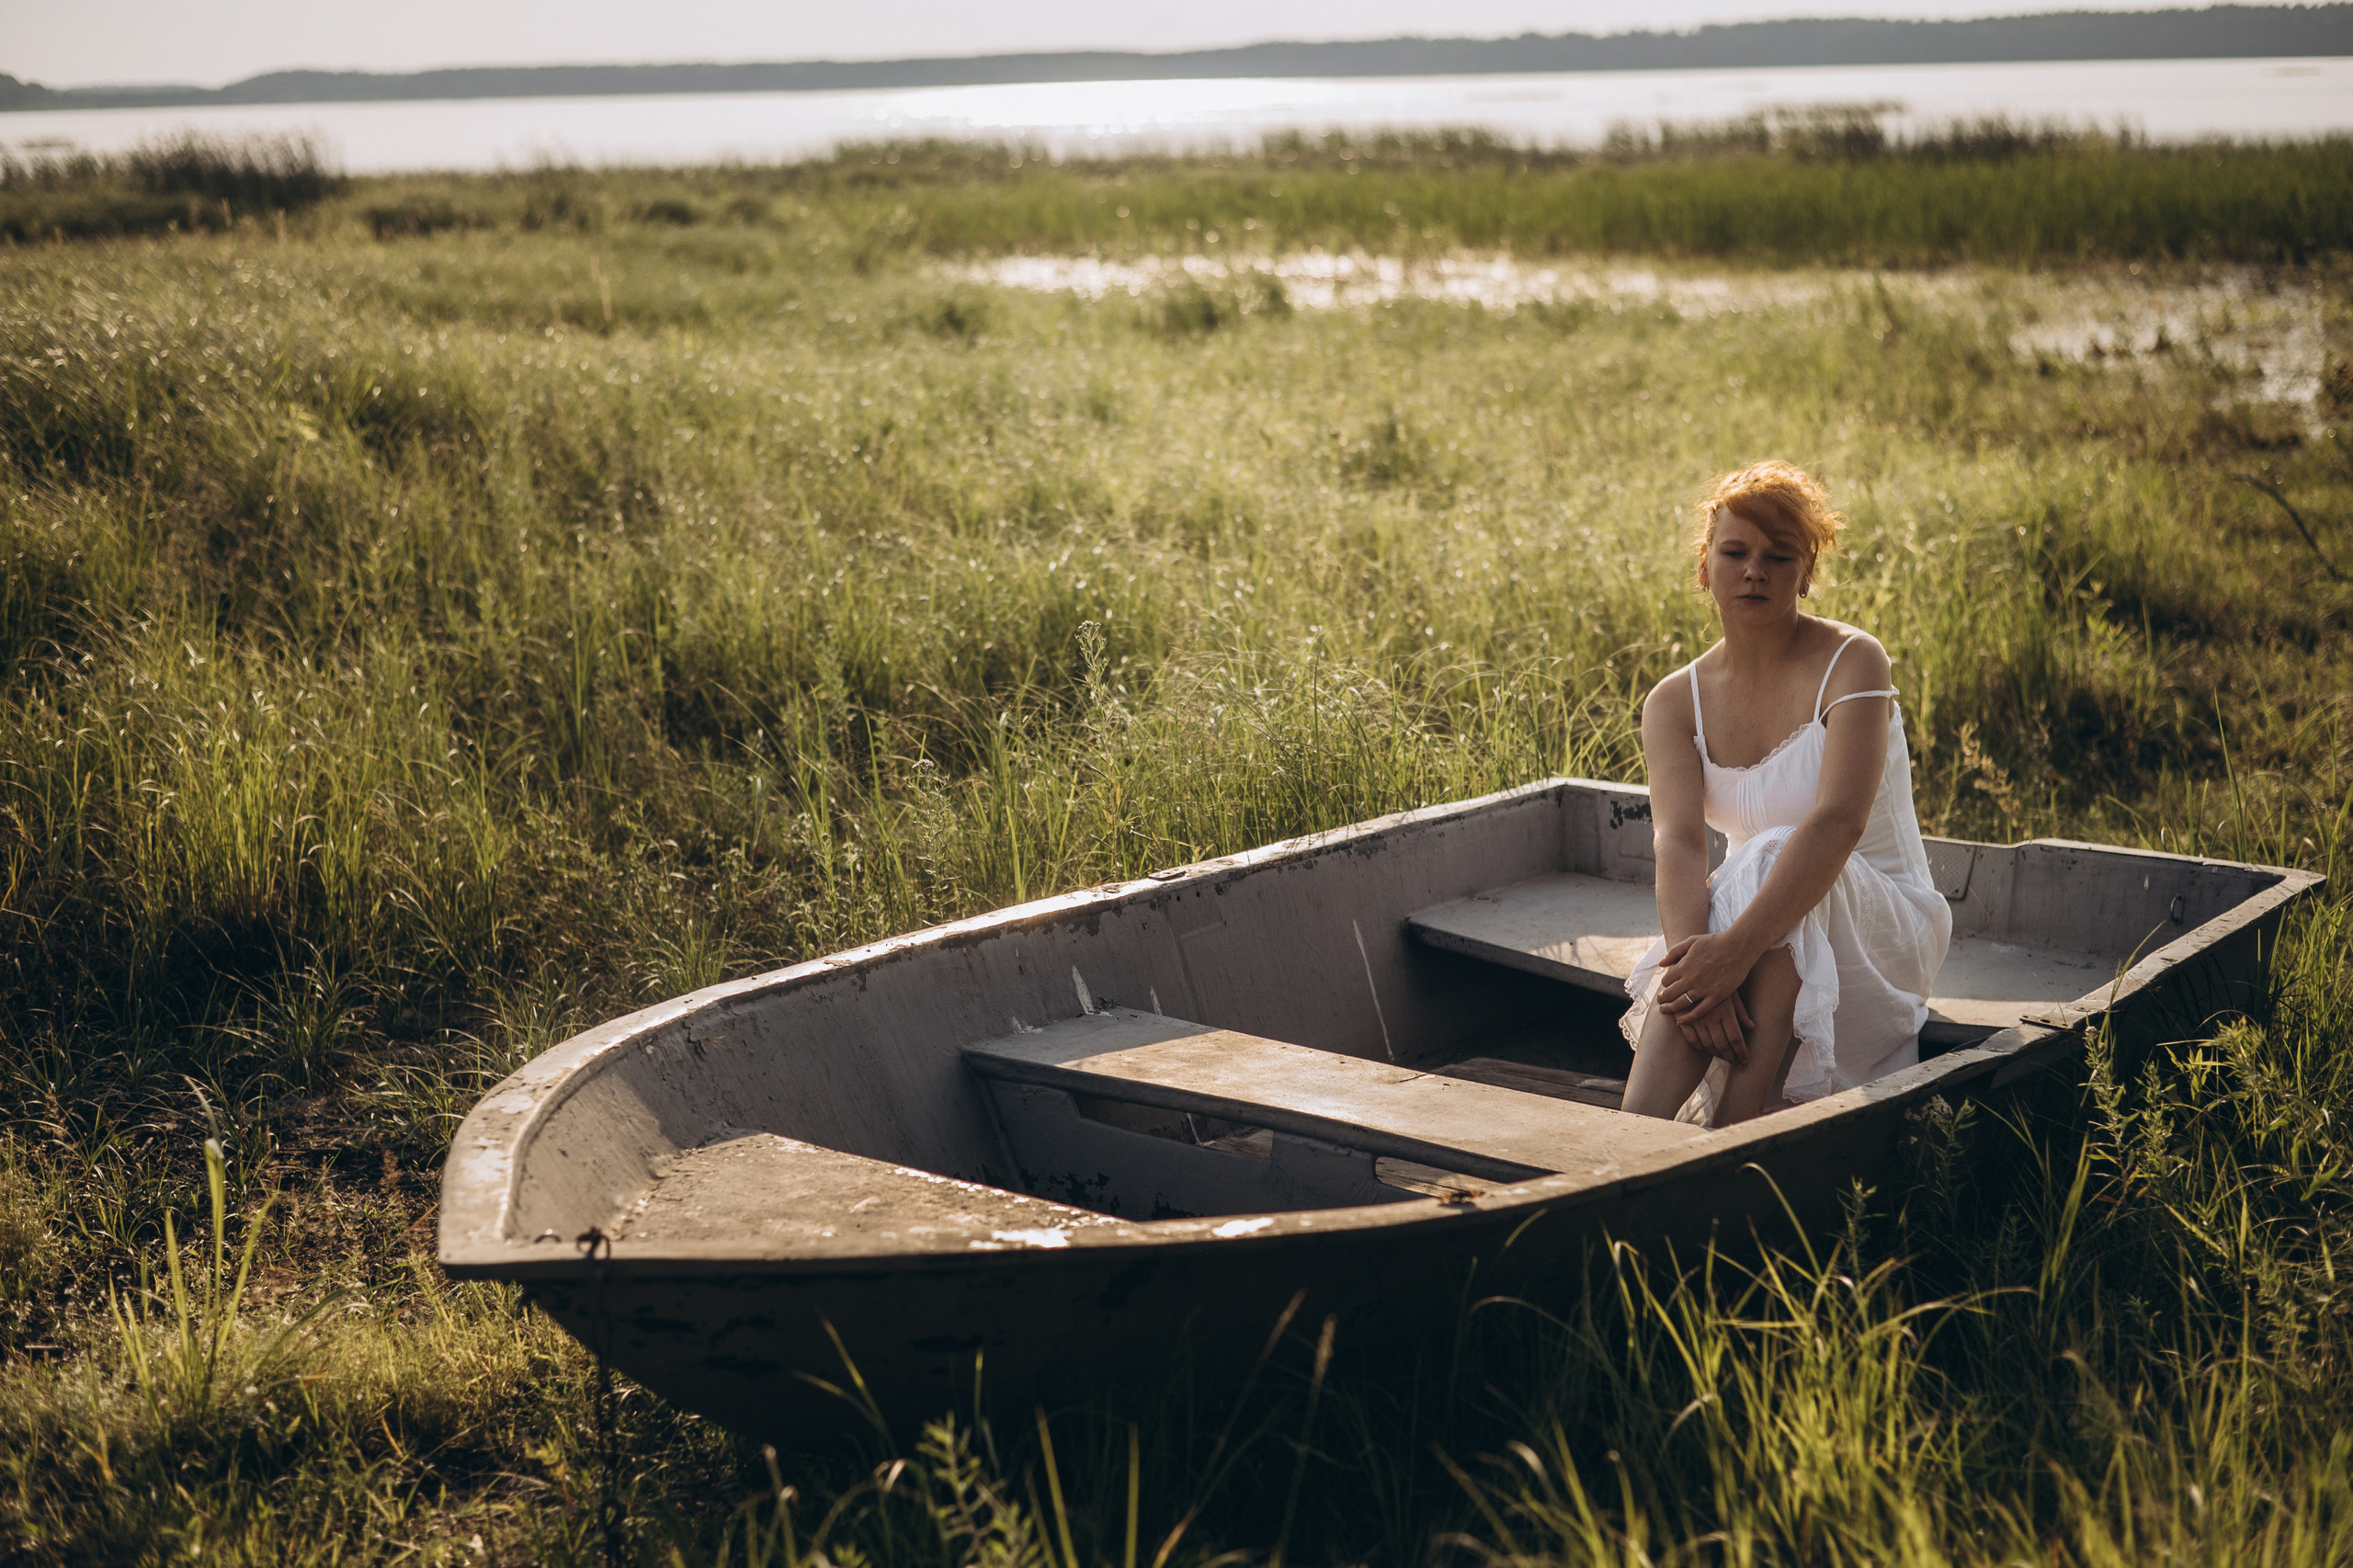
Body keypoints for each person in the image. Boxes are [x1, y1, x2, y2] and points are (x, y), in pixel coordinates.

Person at [1619, 460, 1950, 1127]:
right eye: (1735, 552)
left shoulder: (1855, 660)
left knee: (1770, 856)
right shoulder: (1674, 702)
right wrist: (1698, 973)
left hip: (1882, 923)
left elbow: (1838, 823)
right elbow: (1679, 842)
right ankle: (1627, 1142)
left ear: (1806, 573)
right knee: (1749, 886)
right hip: (1764, 928)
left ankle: (1729, 1139)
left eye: (1779, 556)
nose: (1755, 570)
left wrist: (1732, 952)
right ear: (1704, 567)